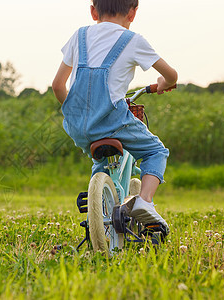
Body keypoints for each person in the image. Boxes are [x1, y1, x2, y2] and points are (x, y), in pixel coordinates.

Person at [52, 0, 177, 231]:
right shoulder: (134, 41)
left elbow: (58, 86)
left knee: (100, 159)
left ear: (93, 11)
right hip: (113, 122)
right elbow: (171, 74)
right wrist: (164, 83)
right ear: (133, 13)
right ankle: (145, 202)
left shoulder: (79, 36)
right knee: (156, 150)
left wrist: (78, 113)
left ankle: (97, 212)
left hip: (78, 125)